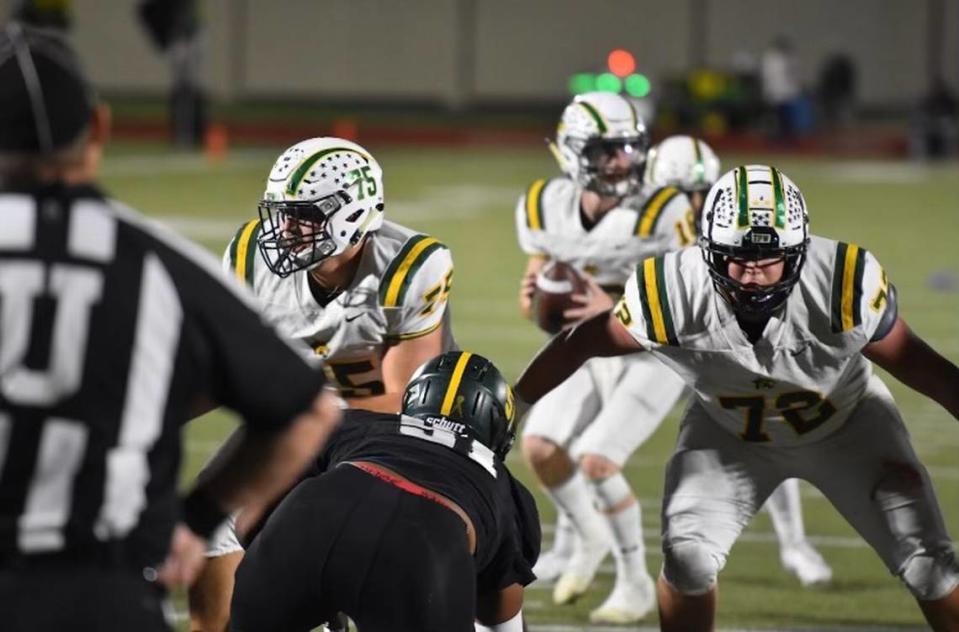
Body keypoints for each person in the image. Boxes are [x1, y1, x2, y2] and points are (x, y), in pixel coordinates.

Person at [513, 164, 959, 631]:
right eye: (737, 258)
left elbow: (928, 370)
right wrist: (517, 404)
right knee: (687, 558)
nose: (753, 276)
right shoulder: (673, 290)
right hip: (729, 433)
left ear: (801, 251)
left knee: (929, 565)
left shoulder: (841, 283)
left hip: (849, 425)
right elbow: (581, 342)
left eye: (770, 259)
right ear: (706, 250)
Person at [0, 23, 341, 632]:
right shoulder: (158, 265)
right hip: (101, 593)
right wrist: (199, 518)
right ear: (100, 129)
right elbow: (308, 409)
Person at [189, 136, 456, 630]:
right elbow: (223, 370)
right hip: (298, 420)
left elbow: (401, 396)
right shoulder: (250, 257)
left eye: (304, 215)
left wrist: (296, 401)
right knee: (209, 519)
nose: (285, 229)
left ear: (355, 215)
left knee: (339, 534)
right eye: (281, 212)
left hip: (392, 430)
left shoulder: (409, 268)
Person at [515, 91, 692, 622]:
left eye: (629, 148)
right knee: (541, 446)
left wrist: (614, 306)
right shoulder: (543, 204)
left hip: (656, 352)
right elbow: (536, 280)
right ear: (571, 153)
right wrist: (535, 298)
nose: (622, 161)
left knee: (596, 458)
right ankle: (587, 542)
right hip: (587, 345)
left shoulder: (666, 209)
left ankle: (635, 581)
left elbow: (690, 298)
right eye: (605, 150)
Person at [230, 351, 540, 632]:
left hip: (309, 520)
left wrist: (316, 594)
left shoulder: (353, 422)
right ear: (500, 431)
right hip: (424, 547)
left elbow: (247, 524)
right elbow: (499, 619)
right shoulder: (506, 488)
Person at [645, 136, 833, 586]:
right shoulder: (640, 220)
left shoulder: (735, 230)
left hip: (722, 343)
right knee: (590, 447)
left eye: (696, 191)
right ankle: (577, 546)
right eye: (675, 193)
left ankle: (794, 543)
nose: (687, 202)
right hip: (654, 347)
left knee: (767, 427)